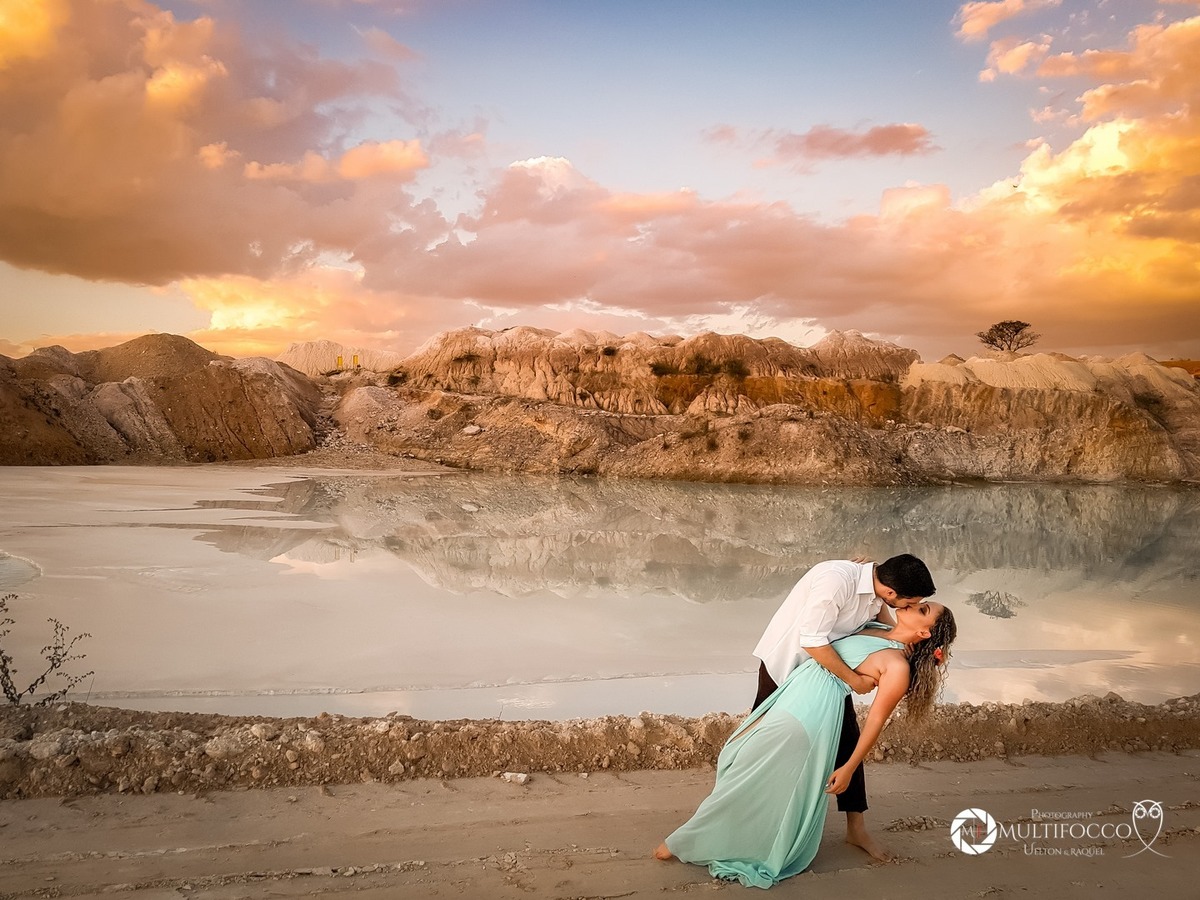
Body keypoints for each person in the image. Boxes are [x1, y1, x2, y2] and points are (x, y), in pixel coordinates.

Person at [654, 602, 957, 888]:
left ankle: (687, 840)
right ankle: (732, 833)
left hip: (813, 712)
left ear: (924, 632)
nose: (912, 604)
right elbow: (878, 595)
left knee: (749, 766)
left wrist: (848, 767)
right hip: (793, 692)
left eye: (922, 609)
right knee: (736, 754)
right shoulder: (881, 629)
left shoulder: (898, 667)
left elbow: (875, 722)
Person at [751, 554, 935, 860]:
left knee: (848, 740)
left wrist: (910, 644)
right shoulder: (836, 581)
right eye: (910, 602)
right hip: (786, 665)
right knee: (755, 742)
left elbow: (887, 630)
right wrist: (856, 681)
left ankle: (856, 829)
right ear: (892, 592)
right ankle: (742, 810)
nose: (909, 608)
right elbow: (811, 641)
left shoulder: (878, 591)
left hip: (828, 675)